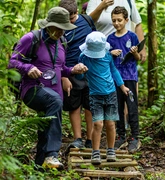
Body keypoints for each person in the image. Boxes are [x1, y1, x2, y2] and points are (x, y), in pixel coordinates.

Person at [8, 7, 88, 169]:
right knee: (55, 101)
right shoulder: (31, 39)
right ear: (48, 25)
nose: (61, 32)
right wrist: (28, 68)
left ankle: (39, 166)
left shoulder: (62, 42)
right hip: (32, 89)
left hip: (54, 92)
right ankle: (52, 154)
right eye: (58, 28)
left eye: (63, 29)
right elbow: (12, 62)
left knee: (46, 125)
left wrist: (73, 70)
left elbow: (61, 68)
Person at [78, 31, 129, 165]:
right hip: (95, 95)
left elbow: (113, 71)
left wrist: (122, 86)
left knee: (110, 124)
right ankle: (96, 152)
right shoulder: (83, 57)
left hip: (111, 93)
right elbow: (79, 76)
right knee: (98, 124)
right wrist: (79, 71)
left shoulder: (107, 55)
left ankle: (110, 150)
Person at [59, 0, 94, 150]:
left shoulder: (87, 21)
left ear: (77, 13)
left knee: (90, 105)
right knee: (74, 106)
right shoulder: (59, 28)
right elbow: (57, 55)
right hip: (70, 70)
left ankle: (90, 139)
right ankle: (77, 138)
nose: (70, 22)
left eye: (72, 18)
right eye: (67, 20)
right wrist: (64, 77)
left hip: (90, 69)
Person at [107, 6, 141, 153]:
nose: (117, 23)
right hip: (115, 78)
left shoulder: (132, 36)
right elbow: (105, 59)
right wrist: (110, 53)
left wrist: (134, 53)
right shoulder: (110, 38)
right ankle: (121, 136)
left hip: (130, 77)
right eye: (114, 20)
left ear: (126, 20)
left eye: (119, 20)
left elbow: (138, 58)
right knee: (118, 108)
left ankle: (135, 137)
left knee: (132, 106)